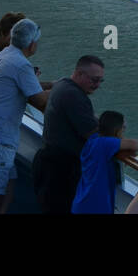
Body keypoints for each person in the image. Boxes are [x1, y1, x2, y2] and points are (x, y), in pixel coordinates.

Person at [0, 19, 53, 213]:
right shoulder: (20, 64)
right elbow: (39, 100)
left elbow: (28, 87)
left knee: (7, 184)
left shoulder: (5, 54)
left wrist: (52, 85)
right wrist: (64, 88)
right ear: (32, 44)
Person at [34, 55, 105, 214]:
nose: (97, 85)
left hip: (49, 163)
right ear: (79, 74)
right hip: (60, 172)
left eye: (101, 81)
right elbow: (92, 133)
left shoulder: (62, 85)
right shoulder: (74, 95)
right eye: (94, 80)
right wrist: (114, 130)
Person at [72, 111, 138, 214]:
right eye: (123, 128)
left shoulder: (94, 139)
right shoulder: (106, 144)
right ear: (117, 131)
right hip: (95, 206)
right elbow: (136, 145)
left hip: (83, 201)